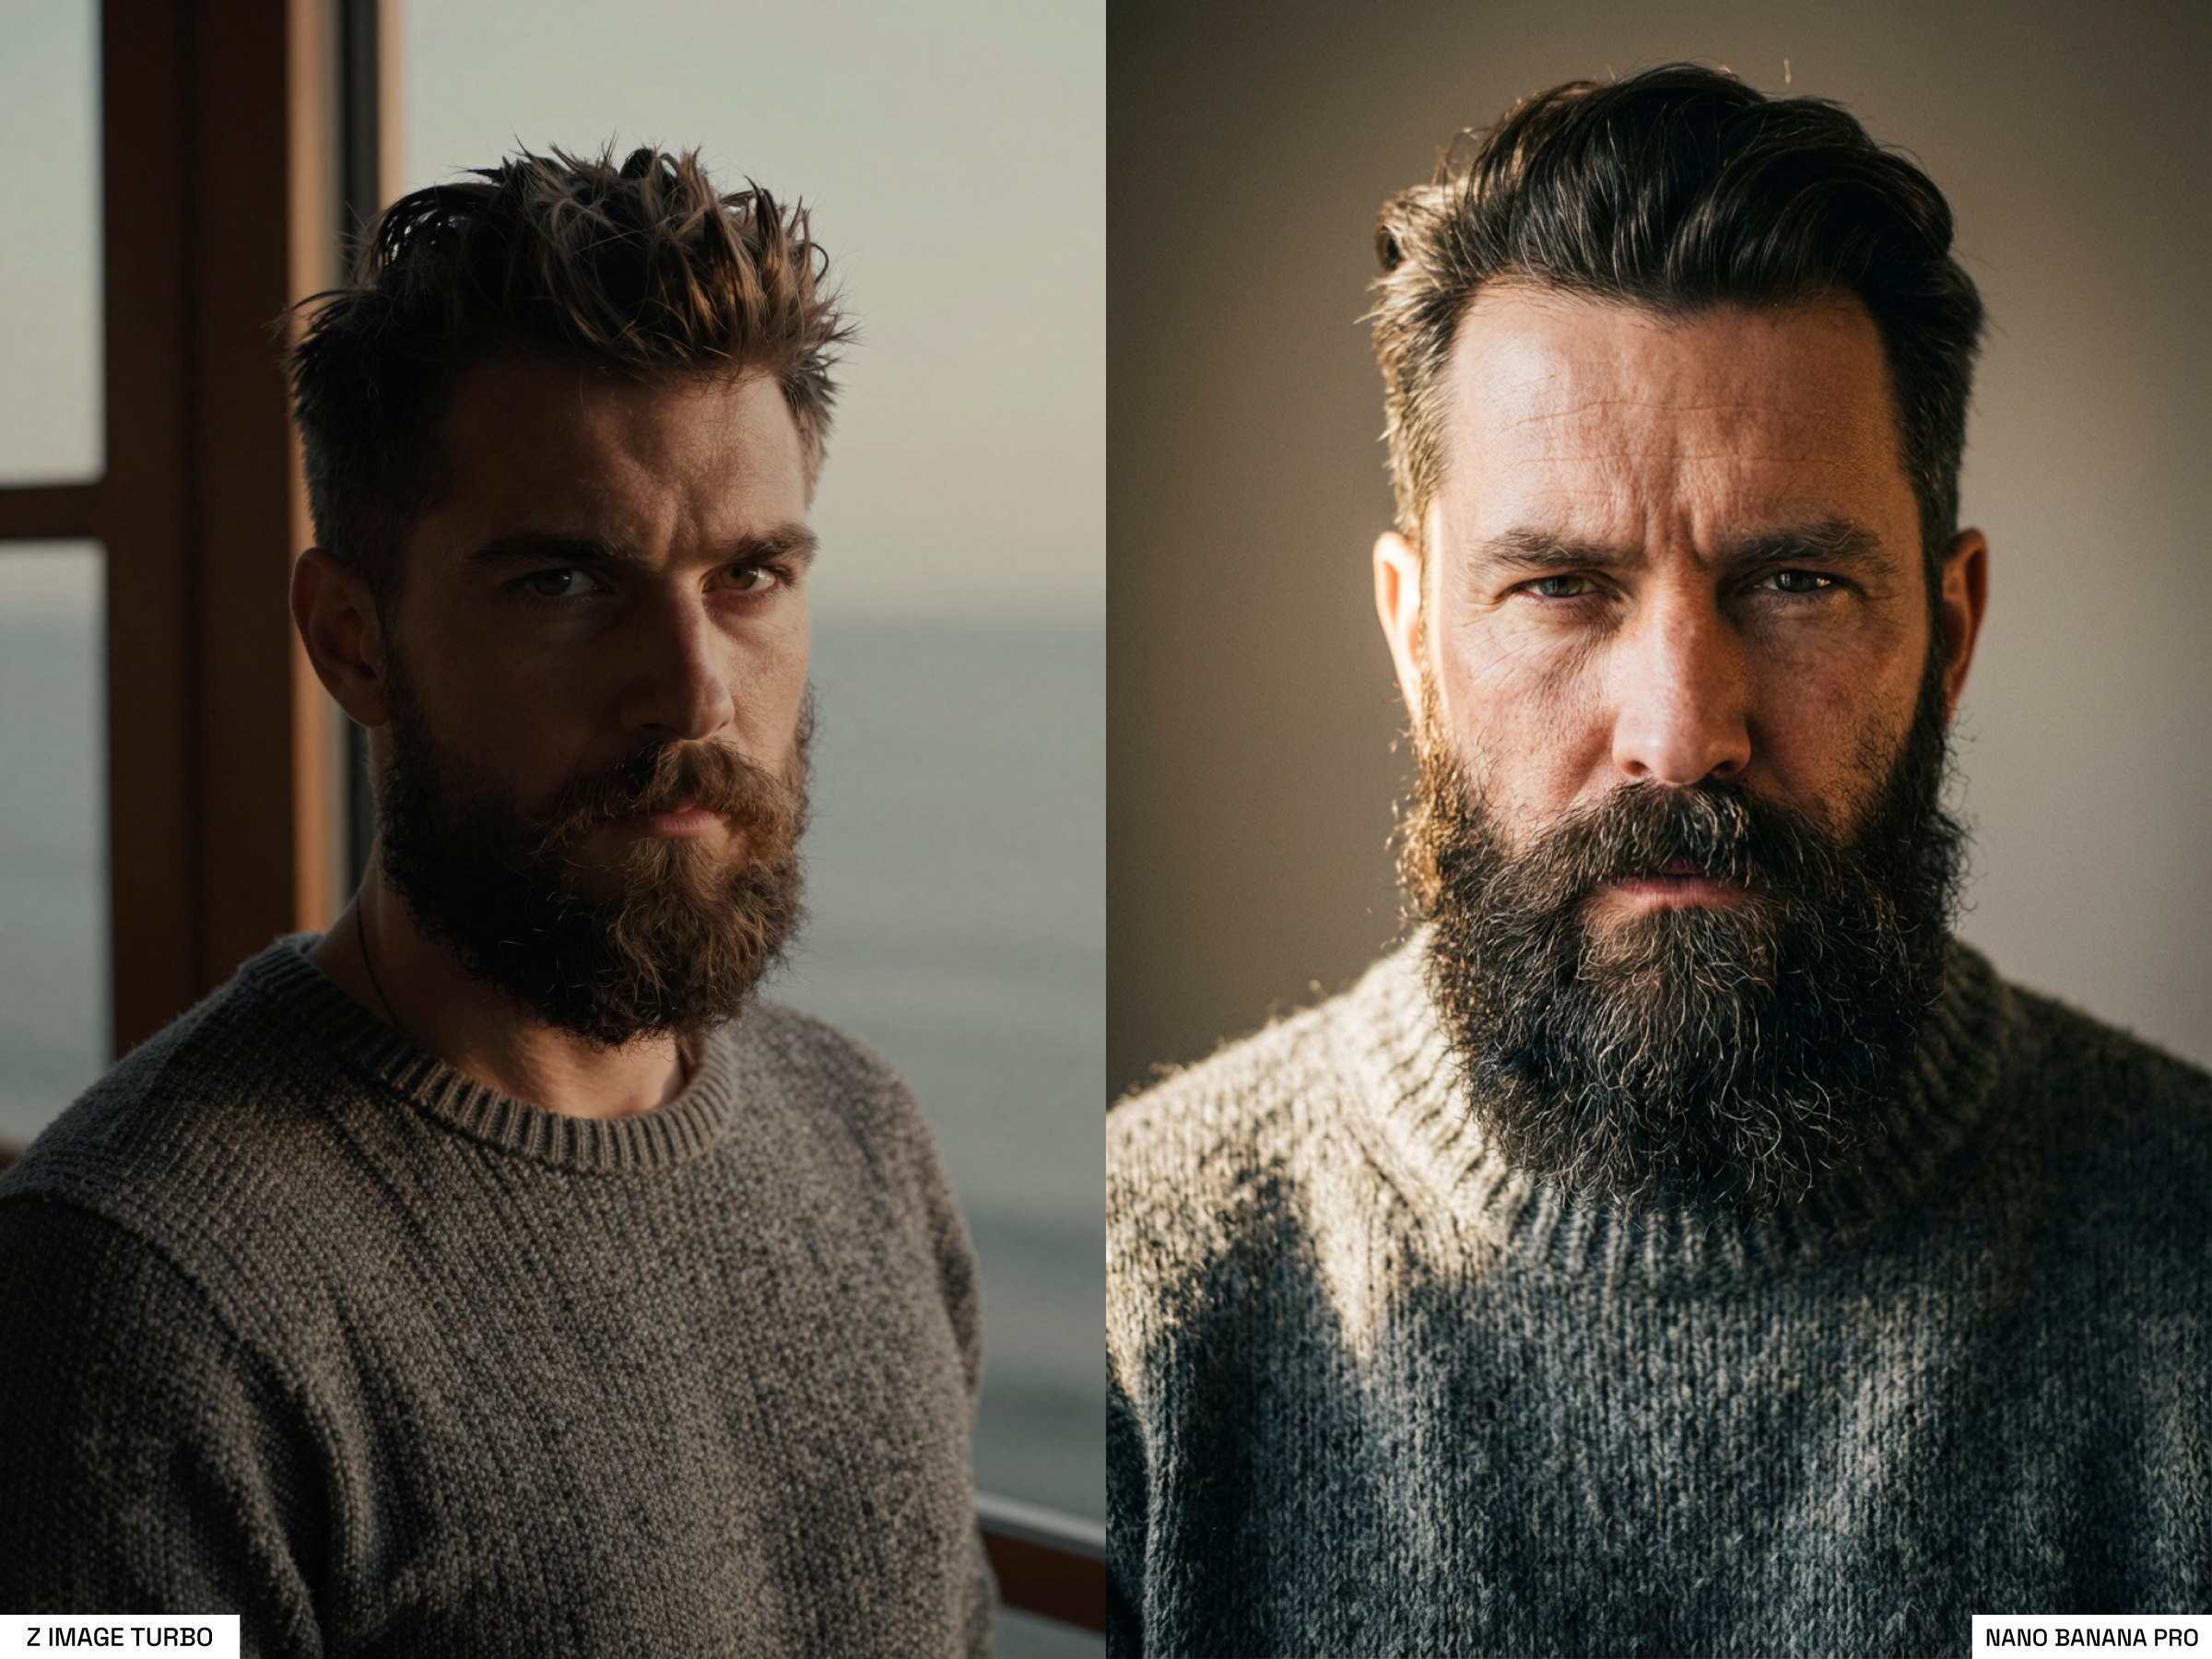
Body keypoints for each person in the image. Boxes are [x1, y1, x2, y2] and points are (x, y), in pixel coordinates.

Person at [1107, 66, 2208, 1657]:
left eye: (1800, 581)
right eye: (1559, 586)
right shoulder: (1168, 1310)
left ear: (1949, 634)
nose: (1681, 730)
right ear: (1418, 640)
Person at [0, 148, 992, 1654]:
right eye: (562, 584)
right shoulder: (137, 1289)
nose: (692, 692)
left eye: (749, 576)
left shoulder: (866, 1139)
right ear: (354, 641)